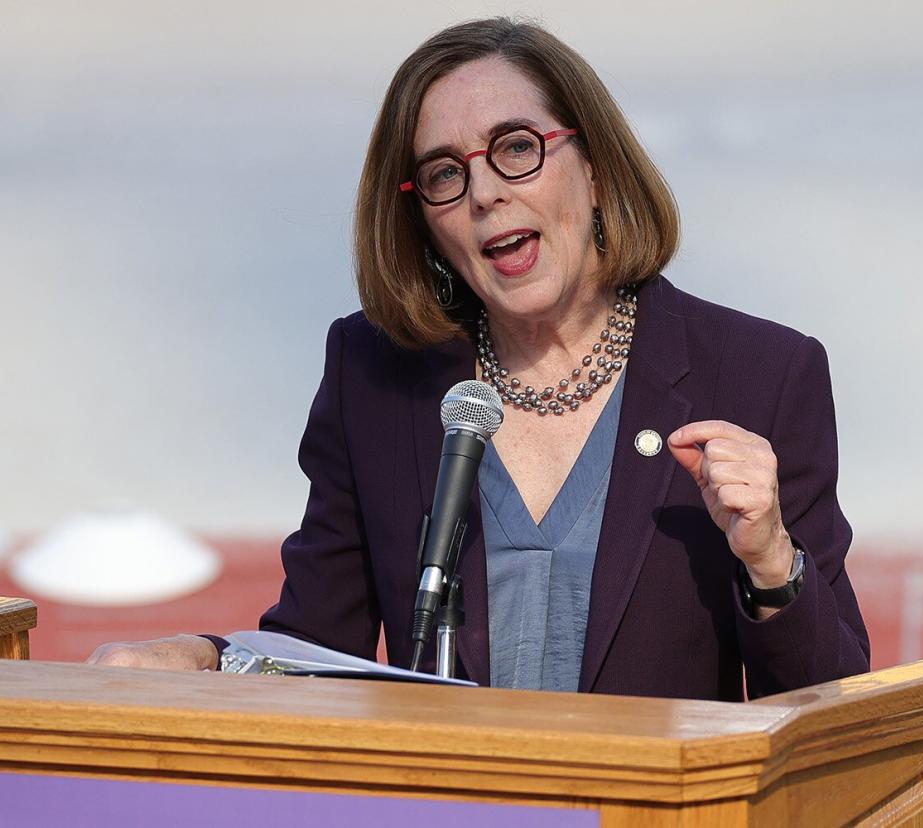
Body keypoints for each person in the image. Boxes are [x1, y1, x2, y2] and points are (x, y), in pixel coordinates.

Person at [88, 18, 870, 700]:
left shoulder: (762, 372)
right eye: (443, 174)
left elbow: (833, 706)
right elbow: (317, 650)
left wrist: (770, 559)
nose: (485, 192)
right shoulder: (374, 376)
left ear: (594, 165)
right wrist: (204, 659)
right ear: (425, 223)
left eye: (517, 148)